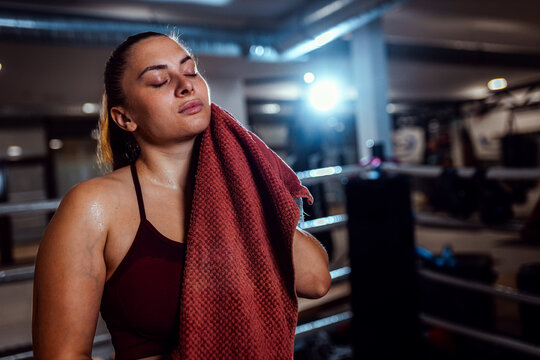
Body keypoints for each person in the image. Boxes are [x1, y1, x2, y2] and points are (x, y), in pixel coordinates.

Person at [32, 31, 331, 360]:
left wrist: (246, 180)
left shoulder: (237, 192)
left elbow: (316, 281)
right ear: (124, 118)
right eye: (159, 80)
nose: (185, 85)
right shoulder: (94, 206)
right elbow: (61, 355)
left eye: (190, 72)